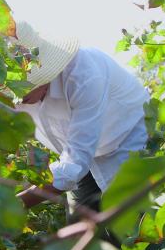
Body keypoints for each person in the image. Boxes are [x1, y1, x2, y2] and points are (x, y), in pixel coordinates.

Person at [11, 21, 150, 227]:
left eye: (23, 91)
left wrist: (14, 205)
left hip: (128, 137)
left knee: (131, 226)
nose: (18, 100)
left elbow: (75, 163)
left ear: (45, 73)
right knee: (80, 233)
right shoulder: (18, 95)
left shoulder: (84, 75)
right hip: (79, 154)